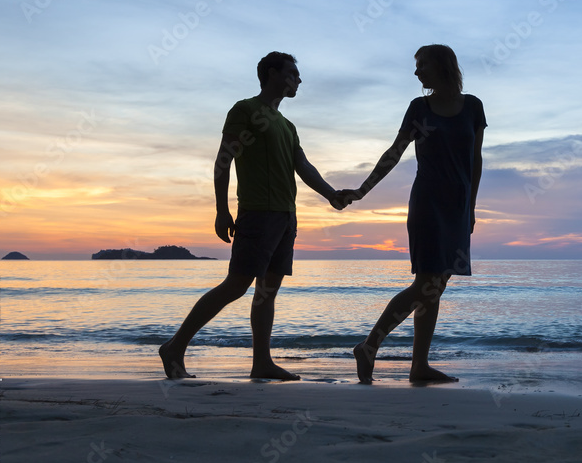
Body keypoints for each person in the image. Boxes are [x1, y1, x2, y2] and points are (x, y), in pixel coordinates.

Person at [159, 52, 346, 380]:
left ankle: (262, 362)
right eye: (293, 73)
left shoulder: (287, 126)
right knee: (236, 285)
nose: (298, 80)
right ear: (273, 74)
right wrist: (221, 209)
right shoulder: (244, 110)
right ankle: (175, 346)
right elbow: (223, 161)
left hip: (287, 216)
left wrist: (331, 194)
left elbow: (302, 167)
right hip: (257, 213)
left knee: (267, 291)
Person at [344, 44, 485, 384]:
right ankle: (369, 346)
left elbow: (476, 159)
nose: (416, 72)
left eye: (422, 65)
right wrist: (362, 190)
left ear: (442, 65)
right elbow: (394, 152)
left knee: (436, 287)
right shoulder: (419, 108)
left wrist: (471, 207)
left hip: (457, 207)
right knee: (426, 283)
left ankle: (419, 365)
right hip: (428, 204)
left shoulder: (473, 107)